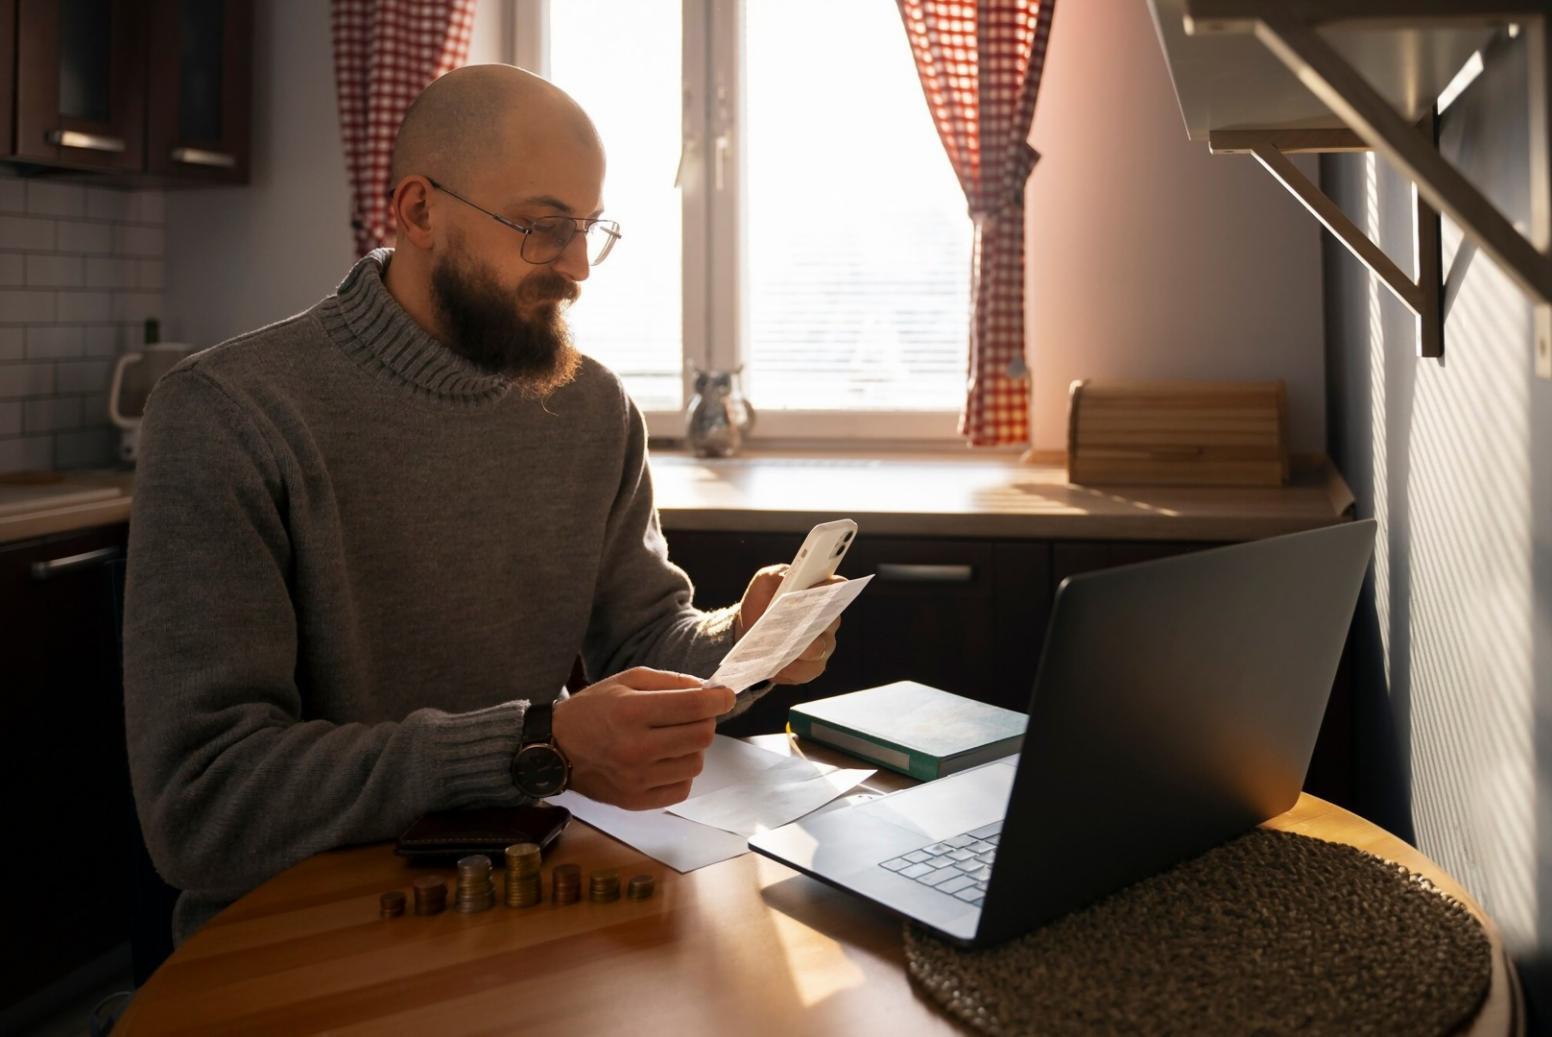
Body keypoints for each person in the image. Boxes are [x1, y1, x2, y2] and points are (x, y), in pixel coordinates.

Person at [123, 64, 842, 945]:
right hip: (293, 934)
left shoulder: (592, 408)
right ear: (419, 211)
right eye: (542, 227)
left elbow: (644, 642)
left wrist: (746, 637)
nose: (577, 268)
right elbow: (206, 805)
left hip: (526, 904)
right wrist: (542, 742)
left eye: (588, 230)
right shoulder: (228, 414)